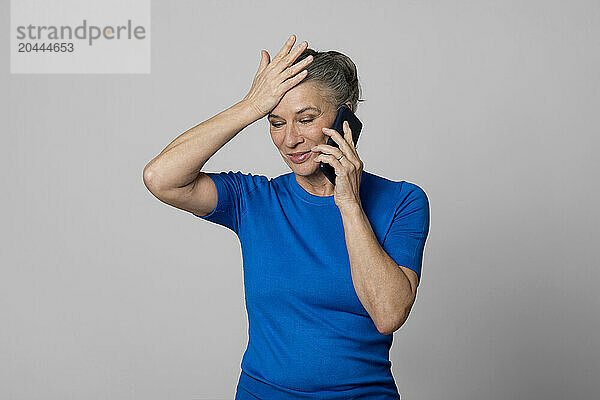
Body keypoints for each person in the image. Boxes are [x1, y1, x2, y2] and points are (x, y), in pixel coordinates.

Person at [143, 34, 430, 400]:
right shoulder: (255, 199)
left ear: (346, 116)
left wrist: (349, 204)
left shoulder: (403, 201)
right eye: (276, 122)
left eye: (306, 119)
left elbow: (388, 313)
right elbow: (160, 177)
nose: (290, 139)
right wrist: (250, 106)